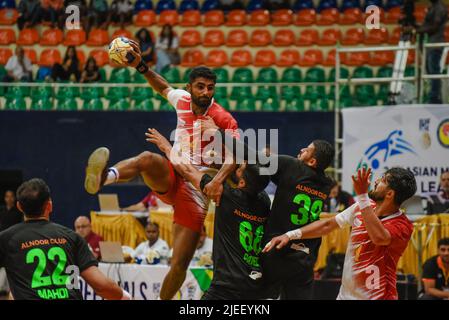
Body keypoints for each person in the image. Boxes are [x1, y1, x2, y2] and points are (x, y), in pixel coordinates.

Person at [83, 41, 239, 300]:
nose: (205, 92)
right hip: (172, 175)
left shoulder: (223, 118)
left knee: (179, 263)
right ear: (190, 88)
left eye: (210, 88)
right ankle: (103, 178)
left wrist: (218, 180)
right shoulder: (182, 100)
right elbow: (162, 86)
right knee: (146, 158)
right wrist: (140, 66)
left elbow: (237, 154)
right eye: (200, 87)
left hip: (196, 190)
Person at [199, 120, 335, 299]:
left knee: (251, 292)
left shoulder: (293, 166)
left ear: (312, 161)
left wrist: (218, 133)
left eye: (307, 150)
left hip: (277, 252)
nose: (301, 150)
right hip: (305, 258)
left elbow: (253, 157)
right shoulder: (326, 184)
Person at [146, 128, 272, 299]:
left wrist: (167, 147)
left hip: (227, 288)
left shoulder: (225, 195)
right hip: (256, 285)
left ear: (241, 182)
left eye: (240, 168)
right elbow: (253, 176)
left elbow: (188, 171)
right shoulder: (264, 200)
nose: (237, 167)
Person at [264, 167, 417, 300]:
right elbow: (327, 225)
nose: (376, 181)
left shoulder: (402, 225)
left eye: (383, 180)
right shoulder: (362, 207)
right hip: (345, 296)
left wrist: (362, 196)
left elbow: (379, 237)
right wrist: (290, 235)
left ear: (390, 194)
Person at [0, 178, 131, 300]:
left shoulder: (6, 239)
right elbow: (101, 285)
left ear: (19, 207)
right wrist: (126, 297)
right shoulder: (72, 237)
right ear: (49, 205)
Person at [415, 0, 448, 104]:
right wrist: (416, 27)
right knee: (430, 72)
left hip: (435, 44)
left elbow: (434, 27)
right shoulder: (432, 7)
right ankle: (433, 96)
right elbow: (428, 25)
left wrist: (417, 30)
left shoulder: (439, 7)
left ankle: (435, 98)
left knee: (434, 71)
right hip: (429, 45)